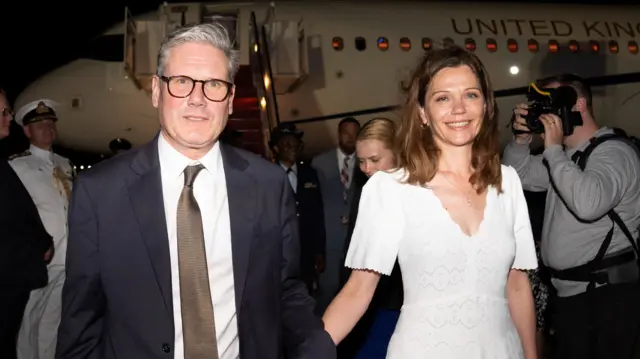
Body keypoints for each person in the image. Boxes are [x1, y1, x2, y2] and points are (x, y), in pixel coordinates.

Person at [55, 23, 334, 359]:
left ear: (230, 100)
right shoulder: (101, 192)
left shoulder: (267, 184)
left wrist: (316, 347)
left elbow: (286, 288)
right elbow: (81, 320)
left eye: (214, 84)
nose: (198, 99)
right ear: (157, 90)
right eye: (182, 82)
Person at [322, 45, 538, 359]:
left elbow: (517, 284)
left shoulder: (508, 182)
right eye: (443, 98)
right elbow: (357, 291)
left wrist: (531, 355)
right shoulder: (390, 189)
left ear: (487, 105)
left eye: (471, 95)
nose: (459, 109)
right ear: (423, 112)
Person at [503, 73, 640, 359]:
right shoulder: (567, 156)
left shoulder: (613, 152)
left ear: (577, 105)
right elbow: (517, 176)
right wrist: (521, 141)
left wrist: (553, 151)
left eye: (550, 105)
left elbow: (589, 204)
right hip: (572, 298)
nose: (545, 117)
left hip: (606, 297)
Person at [10, 98, 73, 359]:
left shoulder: (64, 163)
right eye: (39, 124)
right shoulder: (16, 166)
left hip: (67, 255)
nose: (47, 128)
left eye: (50, 122)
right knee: (29, 321)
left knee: (53, 320)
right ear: (27, 131)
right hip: (40, 258)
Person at [338, 118, 403, 359]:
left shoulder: (420, 192)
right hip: (368, 303)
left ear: (397, 152)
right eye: (362, 161)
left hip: (401, 306)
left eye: (375, 160)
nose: (366, 168)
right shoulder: (367, 190)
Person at [0, 88, 53, 359]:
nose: (8, 118)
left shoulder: (63, 165)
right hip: (12, 274)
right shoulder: (17, 164)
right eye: (3, 112)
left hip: (26, 269)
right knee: (23, 333)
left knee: (48, 327)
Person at [312, 117, 361, 314]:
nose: (350, 138)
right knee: (326, 295)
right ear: (338, 134)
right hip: (329, 242)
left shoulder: (367, 161)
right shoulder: (319, 163)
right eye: (346, 133)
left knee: (356, 295)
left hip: (357, 241)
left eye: (354, 133)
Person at [270, 122, 326, 294]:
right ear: (276, 148)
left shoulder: (310, 174)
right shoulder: (267, 176)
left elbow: (317, 214)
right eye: (287, 144)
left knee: (310, 298)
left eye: (295, 144)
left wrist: (319, 250)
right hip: (281, 255)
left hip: (307, 252)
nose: (293, 148)